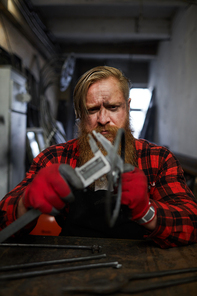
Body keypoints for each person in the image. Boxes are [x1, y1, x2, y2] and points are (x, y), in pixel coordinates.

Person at [0, 66, 197, 249]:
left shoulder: (158, 158)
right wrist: (25, 203)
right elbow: (3, 223)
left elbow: (192, 224)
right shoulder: (54, 158)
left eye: (113, 107)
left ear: (127, 108)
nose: (103, 120)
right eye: (92, 110)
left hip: (141, 262)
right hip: (71, 260)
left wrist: (147, 211)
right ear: (79, 113)